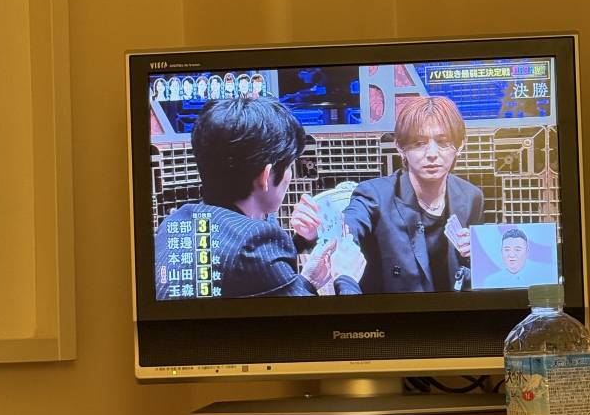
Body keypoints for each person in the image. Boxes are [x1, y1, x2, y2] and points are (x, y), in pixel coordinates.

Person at [155, 97, 365, 300]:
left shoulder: (174, 223)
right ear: (266, 176)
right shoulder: (255, 244)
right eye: (289, 165)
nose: (290, 176)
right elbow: (319, 324)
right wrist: (346, 279)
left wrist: (303, 253)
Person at [291, 96, 484, 293]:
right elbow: (348, 230)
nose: (432, 153)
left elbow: (474, 270)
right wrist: (313, 234)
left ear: (460, 146)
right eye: (419, 143)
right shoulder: (374, 195)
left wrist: (477, 254)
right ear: (400, 147)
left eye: (442, 142)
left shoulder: (470, 196)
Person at [483, 228, 552, 289]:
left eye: (517, 249)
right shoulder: (491, 282)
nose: (511, 255)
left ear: (527, 252)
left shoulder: (543, 277)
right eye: (507, 250)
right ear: (501, 252)